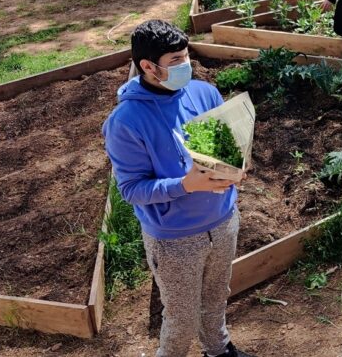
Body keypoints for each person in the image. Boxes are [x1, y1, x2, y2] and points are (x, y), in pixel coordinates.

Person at [102, 20, 253, 357]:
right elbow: (132, 189)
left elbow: (221, 151)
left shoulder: (203, 93)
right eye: (176, 61)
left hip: (223, 221)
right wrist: (186, 185)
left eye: (186, 56)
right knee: (181, 320)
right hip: (175, 239)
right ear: (148, 67)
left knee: (216, 298)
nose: (186, 65)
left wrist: (237, 165)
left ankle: (218, 349)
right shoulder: (125, 122)